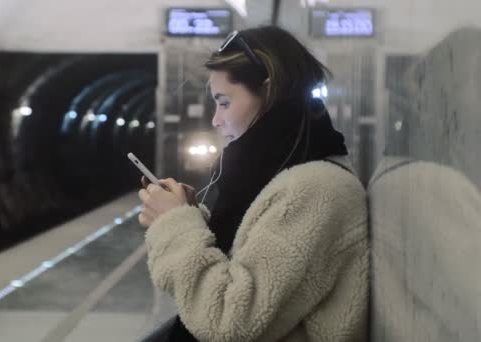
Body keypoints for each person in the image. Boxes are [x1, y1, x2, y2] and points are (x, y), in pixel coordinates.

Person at [137, 26, 369, 342]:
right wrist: (191, 217)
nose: (216, 120)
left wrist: (174, 225)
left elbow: (228, 323)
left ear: (269, 92)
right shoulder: (285, 172)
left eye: (224, 102)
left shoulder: (316, 189)